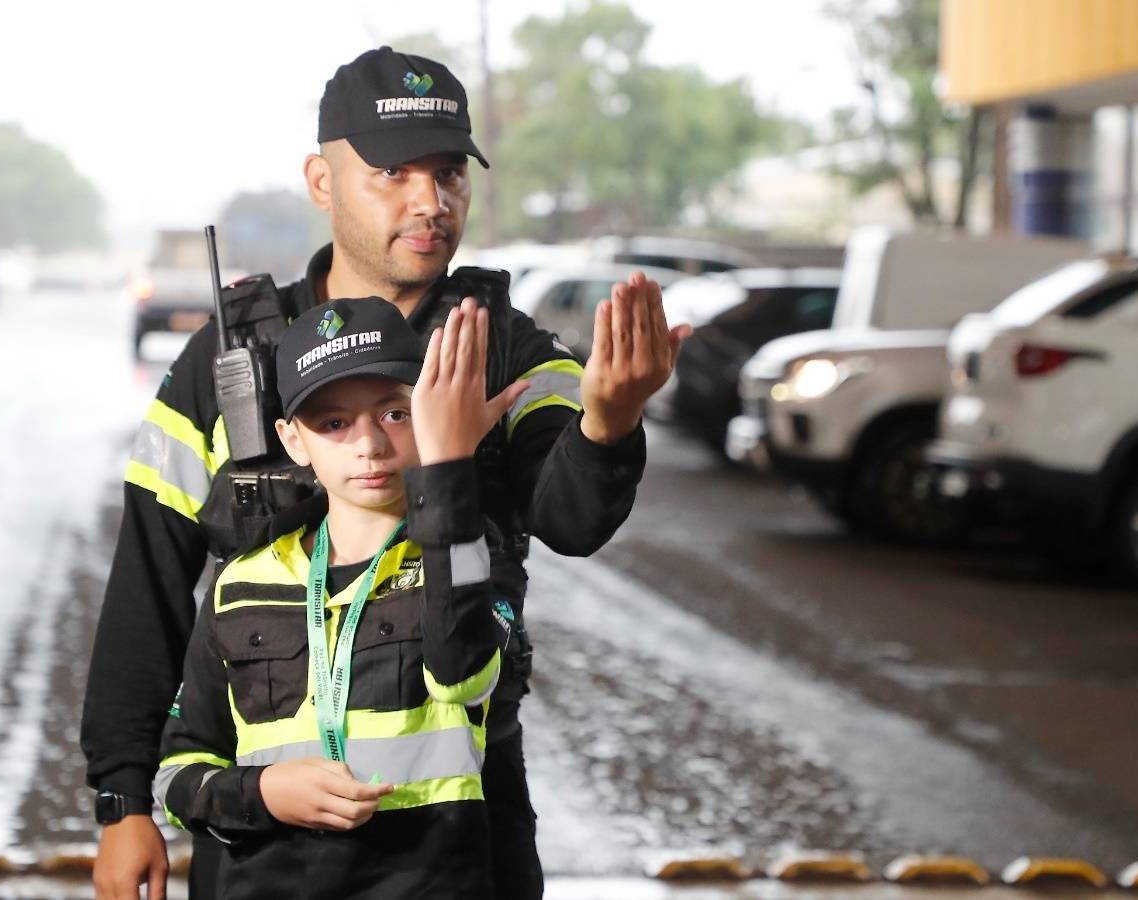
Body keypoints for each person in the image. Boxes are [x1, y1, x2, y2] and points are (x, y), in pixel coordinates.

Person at [82, 46, 689, 900]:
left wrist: (611, 418)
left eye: (449, 173)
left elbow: (572, 519)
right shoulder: (229, 361)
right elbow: (147, 575)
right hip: (264, 842)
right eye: (393, 171)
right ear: (322, 182)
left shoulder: (507, 349)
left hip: (461, 829)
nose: (430, 202)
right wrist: (122, 799)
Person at [156, 296, 518, 898]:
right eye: (333, 424)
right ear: (292, 440)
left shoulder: (466, 556)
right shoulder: (240, 585)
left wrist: (450, 464)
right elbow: (176, 774)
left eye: (396, 414)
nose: (369, 444)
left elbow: (462, 679)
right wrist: (265, 793)